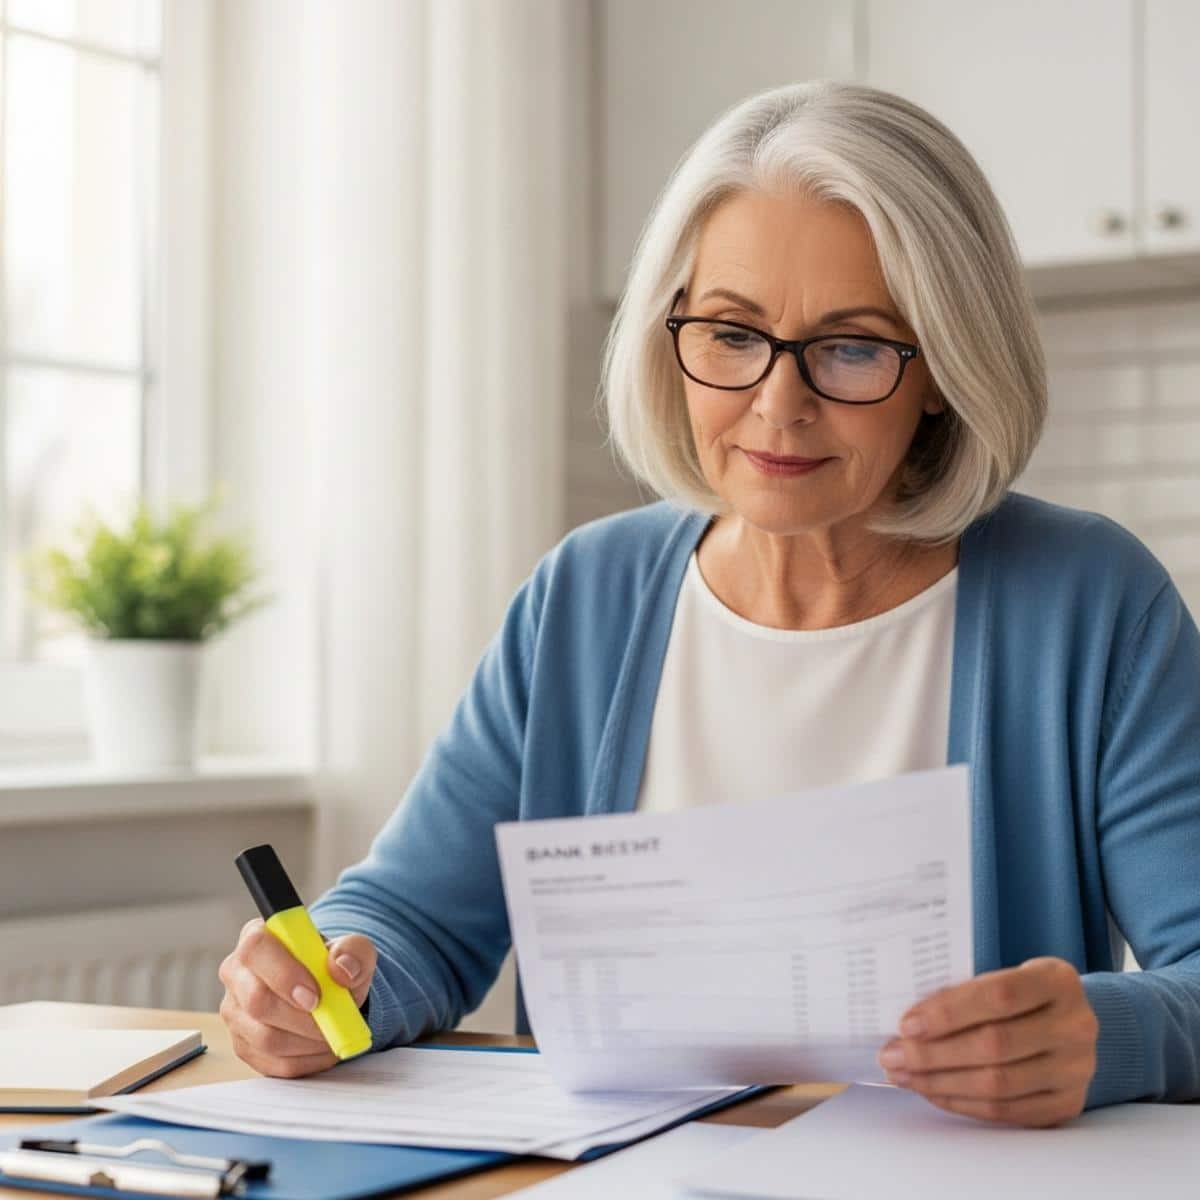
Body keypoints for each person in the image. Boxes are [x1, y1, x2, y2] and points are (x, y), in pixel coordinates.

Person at [217, 80, 1200, 1128]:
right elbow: (409, 917)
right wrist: (320, 985)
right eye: (731, 335)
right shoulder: (583, 599)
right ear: (668, 335)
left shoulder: (1090, 603)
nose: (780, 405)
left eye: (853, 346)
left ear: (944, 370)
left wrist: (1108, 1034)